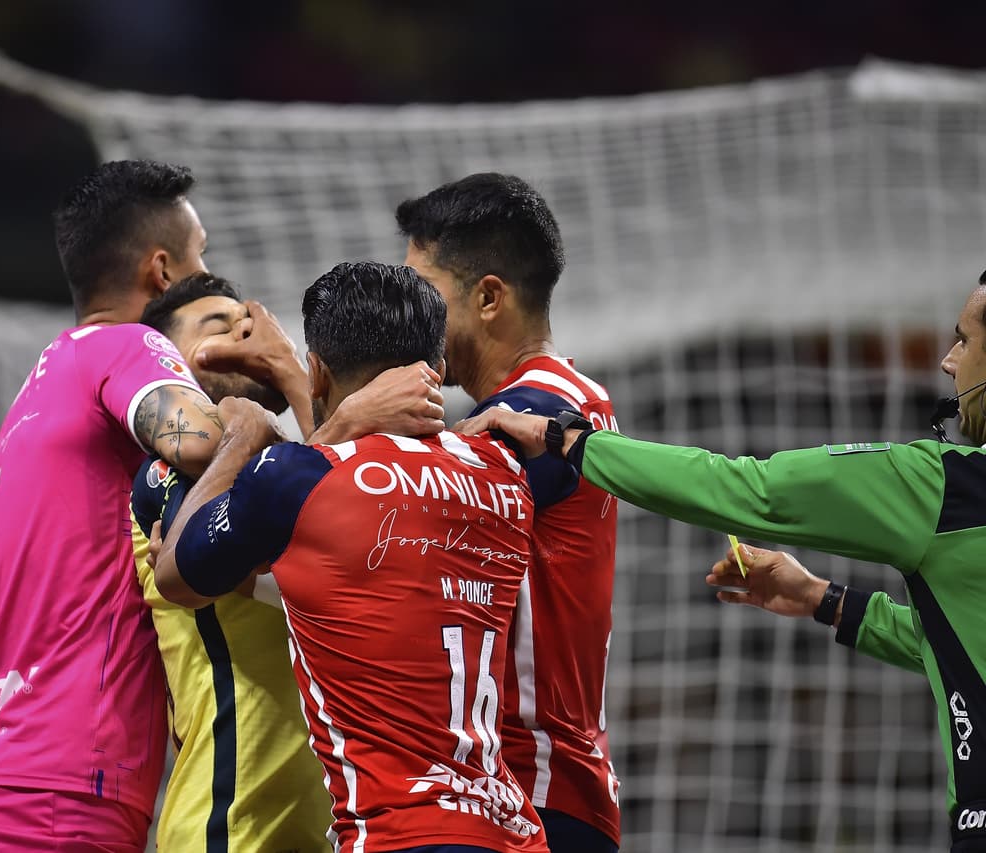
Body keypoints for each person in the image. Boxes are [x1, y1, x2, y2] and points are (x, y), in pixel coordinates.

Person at [0, 160, 441, 852]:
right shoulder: (130, 346)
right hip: (63, 783)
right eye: (201, 262)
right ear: (162, 273)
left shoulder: (50, 383)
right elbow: (208, 439)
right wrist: (332, 408)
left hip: (0, 773)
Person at [455, 273, 986, 852]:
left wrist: (569, 440)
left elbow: (746, 490)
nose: (947, 361)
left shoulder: (949, 486)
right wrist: (823, 599)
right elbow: (954, 641)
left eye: (964, 340)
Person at [155, 261, 548, 853]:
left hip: (395, 833)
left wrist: (244, 436)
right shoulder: (505, 476)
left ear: (317, 371)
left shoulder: (294, 479)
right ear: (437, 369)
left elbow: (179, 574)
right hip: (513, 829)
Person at [398, 173, 622, 852]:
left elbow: (378, 534)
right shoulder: (561, 399)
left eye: (424, 295)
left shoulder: (537, 414)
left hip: (533, 790)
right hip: (540, 787)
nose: (412, 320)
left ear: (489, 296)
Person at [130, 272, 331, 852]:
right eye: (221, 327)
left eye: (251, 324)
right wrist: (293, 376)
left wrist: (294, 378)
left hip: (322, 826)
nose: (248, 335)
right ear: (169, 363)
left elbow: (354, 526)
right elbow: (338, 547)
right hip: (231, 825)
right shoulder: (164, 476)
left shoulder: (282, 467)